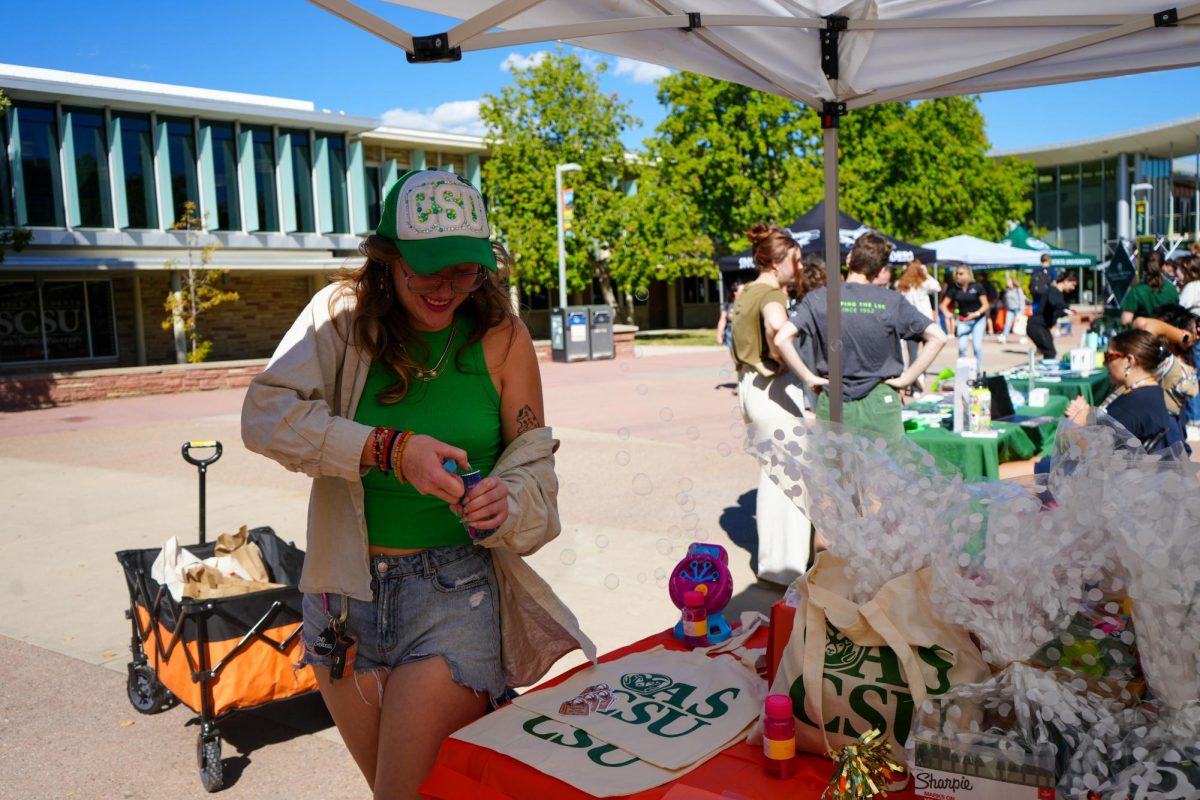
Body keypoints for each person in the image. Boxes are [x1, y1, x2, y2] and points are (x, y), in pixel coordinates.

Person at [240, 170, 592, 799]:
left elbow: (535, 469)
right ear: (388, 257)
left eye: (466, 270)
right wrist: (387, 449)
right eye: (429, 268)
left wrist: (507, 501)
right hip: (339, 601)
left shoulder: (504, 339)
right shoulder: (338, 319)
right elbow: (263, 417)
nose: (447, 287)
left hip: (454, 595)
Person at [775, 231, 947, 442]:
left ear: (849, 260)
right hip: (880, 400)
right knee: (884, 471)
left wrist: (807, 377)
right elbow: (938, 337)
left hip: (835, 400)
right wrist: (907, 379)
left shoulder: (819, 299)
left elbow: (781, 339)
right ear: (881, 270)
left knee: (836, 473)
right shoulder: (892, 301)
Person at [731, 223, 809, 585]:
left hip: (749, 386)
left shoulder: (747, 291)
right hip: (772, 389)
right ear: (779, 262)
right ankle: (787, 568)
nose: (800, 267)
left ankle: (774, 564)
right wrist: (795, 366)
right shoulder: (773, 295)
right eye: (797, 259)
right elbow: (776, 329)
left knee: (774, 474)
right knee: (790, 477)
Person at [1065, 329, 1184, 454]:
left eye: (1109, 356)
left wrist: (1077, 423)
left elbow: (1087, 453)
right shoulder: (1153, 391)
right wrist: (1087, 415)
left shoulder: (1129, 408)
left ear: (1129, 361)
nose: (1105, 363)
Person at [896, 259, 941, 392]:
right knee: (927, 352)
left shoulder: (902, 285)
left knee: (913, 355)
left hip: (910, 323)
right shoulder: (923, 284)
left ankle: (914, 383)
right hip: (924, 323)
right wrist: (926, 274)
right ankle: (917, 380)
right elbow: (937, 287)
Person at [939, 265, 990, 374]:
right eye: (957, 273)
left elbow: (985, 305)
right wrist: (949, 314)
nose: (958, 276)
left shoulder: (977, 287)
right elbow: (943, 305)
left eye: (961, 274)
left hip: (978, 320)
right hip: (963, 321)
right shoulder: (954, 289)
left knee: (977, 347)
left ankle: (979, 372)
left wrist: (976, 314)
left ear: (968, 274)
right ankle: (963, 372)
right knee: (962, 347)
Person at [1025, 272, 1077, 360]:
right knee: (1050, 352)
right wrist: (1067, 307)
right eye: (1072, 285)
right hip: (1037, 326)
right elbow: (1055, 303)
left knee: (1050, 352)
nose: (1073, 288)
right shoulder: (1053, 291)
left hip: (1042, 327)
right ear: (1066, 281)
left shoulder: (1057, 293)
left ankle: (1045, 369)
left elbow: (1055, 311)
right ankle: (1046, 372)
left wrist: (1065, 312)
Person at [1121, 251, 1179, 325]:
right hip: (1168, 334)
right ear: (1163, 266)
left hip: (1144, 334)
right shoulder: (1172, 289)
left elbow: (1125, 321)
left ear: (1143, 267)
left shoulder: (1136, 291)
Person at [715, 281, 743, 354]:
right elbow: (722, 320)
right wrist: (719, 335)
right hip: (731, 333)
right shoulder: (728, 305)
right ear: (735, 292)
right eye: (742, 290)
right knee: (735, 357)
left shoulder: (747, 303)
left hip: (743, 333)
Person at [999, 272, 1027, 344]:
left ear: (1012, 282)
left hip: (1018, 309)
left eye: (1009, 281)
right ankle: (1004, 336)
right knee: (1007, 323)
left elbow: (1022, 300)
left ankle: (1024, 337)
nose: (1007, 283)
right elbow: (1006, 300)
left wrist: (1021, 311)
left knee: (1019, 324)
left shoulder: (1018, 290)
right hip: (1010, 309)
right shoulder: (1007, 290)